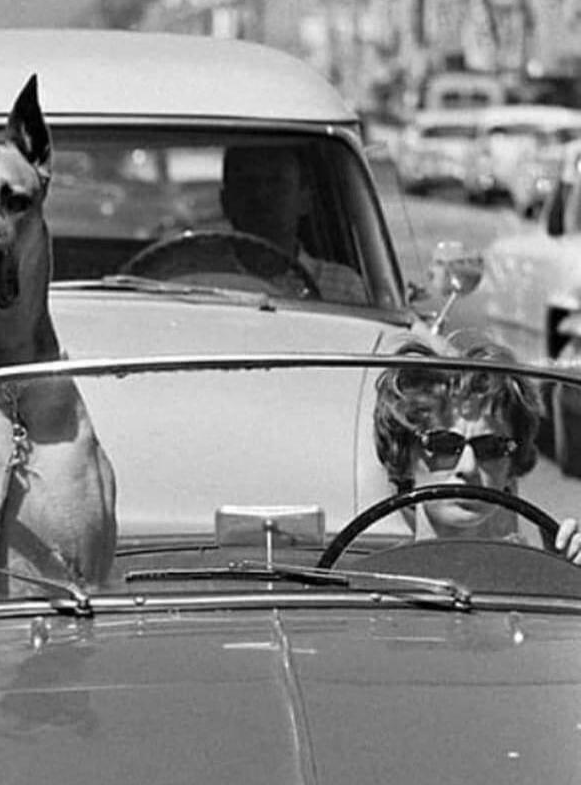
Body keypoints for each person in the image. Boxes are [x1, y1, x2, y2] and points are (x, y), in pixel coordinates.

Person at [373, 341, 581, 563]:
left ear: (511, 466)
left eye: (491, 448)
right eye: (443, 445)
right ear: (404, 456)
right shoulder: (372, 584)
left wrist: (564, 576)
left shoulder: (538, 575)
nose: (468, 467)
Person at [220, 144, 368, 304]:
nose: (260, 195)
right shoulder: (199, 277)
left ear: (304, 199)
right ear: (225, 201)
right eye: (247, 183)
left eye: (276, 182)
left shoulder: (344, 287)